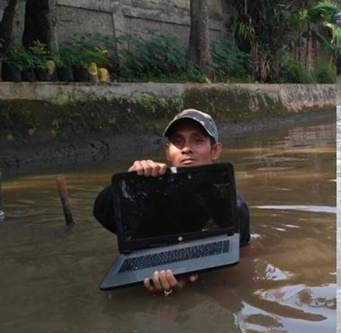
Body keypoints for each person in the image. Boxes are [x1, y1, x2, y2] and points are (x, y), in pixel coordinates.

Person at [93, 108, 251, 294]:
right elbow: (101, 211)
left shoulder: (233, 206)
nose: (186, 148)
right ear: (168, 151)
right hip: (145, 281)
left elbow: (242, 260)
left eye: (197, 140)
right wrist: (130, 183)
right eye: (178, 141)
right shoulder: (147, 192)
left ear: (215, 150)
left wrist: (195, 275)